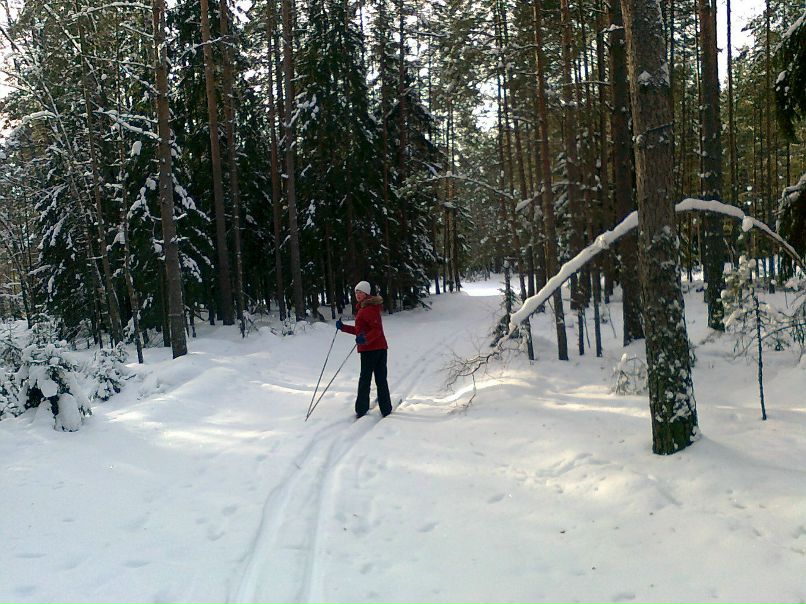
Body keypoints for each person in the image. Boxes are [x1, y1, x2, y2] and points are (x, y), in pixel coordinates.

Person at [336, 281, 393, 418]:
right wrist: (343, 327)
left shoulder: (368, 309)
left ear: (366, 293)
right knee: (379, 379)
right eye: (356, 292)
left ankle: (362, 409)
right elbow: (360, 331)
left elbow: (376, 330)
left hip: (371, 350)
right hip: (378, 348)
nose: (357, 294)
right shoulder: (366, 308)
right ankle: (385, 408)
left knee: (366, 379)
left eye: (360, 292)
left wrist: (365, 339)